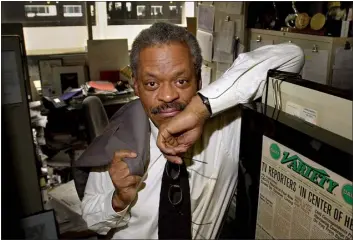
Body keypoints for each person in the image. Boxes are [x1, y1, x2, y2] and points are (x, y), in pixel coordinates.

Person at [81, 22, 304, 239]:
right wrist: (118, 200)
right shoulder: (121, 139)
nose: (168, 96)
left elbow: (292, 56)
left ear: (199, 80)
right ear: (136, 86)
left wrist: (199, 110)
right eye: (151, 84)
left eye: (181, 80)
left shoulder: (226, 126)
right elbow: (91, 219)